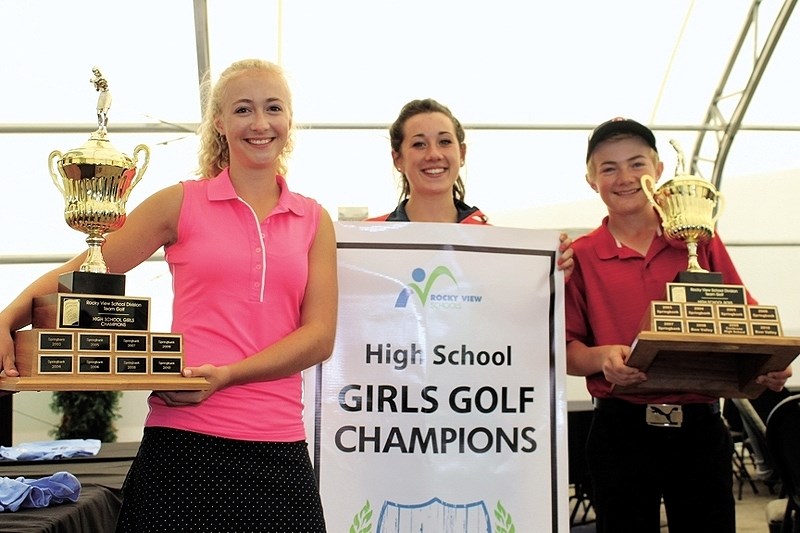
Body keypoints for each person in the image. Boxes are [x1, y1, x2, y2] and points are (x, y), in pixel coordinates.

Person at [0, 59, 337, 532]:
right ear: (219, 122)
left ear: (288, 120)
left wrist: (225, 376)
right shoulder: (181, 202)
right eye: (243, 110)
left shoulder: (313, 220)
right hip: (182, 445)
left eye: (272, 108)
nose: (260, 124)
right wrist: (6, 317)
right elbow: (86, 271)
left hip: (279, 449)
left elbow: (319, 337)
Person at [565, 117, 792, 533]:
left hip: (701, 429)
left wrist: (766, 363)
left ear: (658, 170)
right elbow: (566, 350)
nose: (625, 178)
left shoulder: (698, 239)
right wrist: (603, 358)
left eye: (636, 164)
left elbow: (742, 315)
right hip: (620, 430)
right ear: (590, 179)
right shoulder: (581, 256)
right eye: (608, 168)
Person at [368, 98, 574, 275]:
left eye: (445, 141)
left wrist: (553, 270)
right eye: (419, 144)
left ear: (462, 153)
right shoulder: (365, 239)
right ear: (398, 159)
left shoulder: (496, 245)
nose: (433, 154)